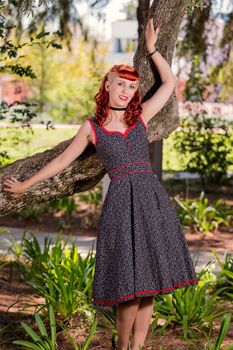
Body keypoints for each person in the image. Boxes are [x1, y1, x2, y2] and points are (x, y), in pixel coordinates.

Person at [3, 18, 199, 350]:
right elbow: (62, 161)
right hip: (122, 203)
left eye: (131, 87)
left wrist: (151, 49)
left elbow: (169, 83)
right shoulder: (93, 127)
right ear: (107, 85)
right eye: (120, 84)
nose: (126, 90)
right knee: (129, 286)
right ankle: (121, 346)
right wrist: (26, 185)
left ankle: (137, 347)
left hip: (151, 200)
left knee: (149, 283)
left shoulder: (142, 117)